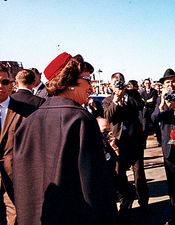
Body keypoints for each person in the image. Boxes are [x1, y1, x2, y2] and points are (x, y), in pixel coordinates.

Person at [13, 52, 117, 225]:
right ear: (70, 83)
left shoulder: (29, 121)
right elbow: (94, 184)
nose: (91, 86)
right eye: (87, 79)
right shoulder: (80, 119)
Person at [103, 73, 149, 217]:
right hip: (117, 142)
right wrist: (116, 99)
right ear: (110, 85)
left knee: (139, 174)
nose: (118, 85)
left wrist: (126, 95)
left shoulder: (133, 95)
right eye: (115, 83)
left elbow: (140, 106)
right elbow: (108, 116)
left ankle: (143, 203)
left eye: (120, 82)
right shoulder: (107, 100)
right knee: (119, 174)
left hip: (134, 140)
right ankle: (125, 203)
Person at [151, 68, 175, 225]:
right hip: (168, 146)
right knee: (172, 184)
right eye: (167, 82)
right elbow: (153, 118)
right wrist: (162, 107)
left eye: (173, 81)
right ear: (163, 85)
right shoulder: (161, 99)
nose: (170, 84)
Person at [0, 66, 32, 225]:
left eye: (4, 81)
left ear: (12, 83)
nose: (0, 86)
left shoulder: (26, 111)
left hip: (15, 180)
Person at [140, 78, 160, 147]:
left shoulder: (154, 91)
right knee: (144, 128)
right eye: (146, 83)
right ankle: (143, 144)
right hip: (145, 112)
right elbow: (141, 102)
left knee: (156, 127)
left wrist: (145, 101)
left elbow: (154, 100)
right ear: (144, 84)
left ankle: (159, 141)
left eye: (148, 83)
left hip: (153, 111)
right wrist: (147, 101)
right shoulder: (142, 92)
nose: (147, 85)